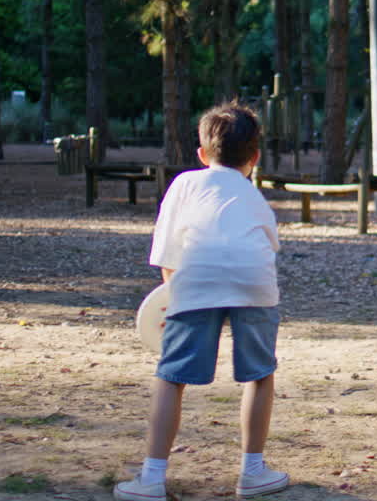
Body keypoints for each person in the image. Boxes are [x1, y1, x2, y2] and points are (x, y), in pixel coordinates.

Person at [114, 101, 289, 501]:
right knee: (260, 374)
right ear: (255, 158)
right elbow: (269, 245)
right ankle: (253, 471)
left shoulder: (185, 185)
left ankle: (152, 477)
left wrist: (174, 299)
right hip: (253, 281)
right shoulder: (254, 198)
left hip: (196, 276)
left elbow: (167, 253)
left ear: (201, 154)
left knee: (171, 376)